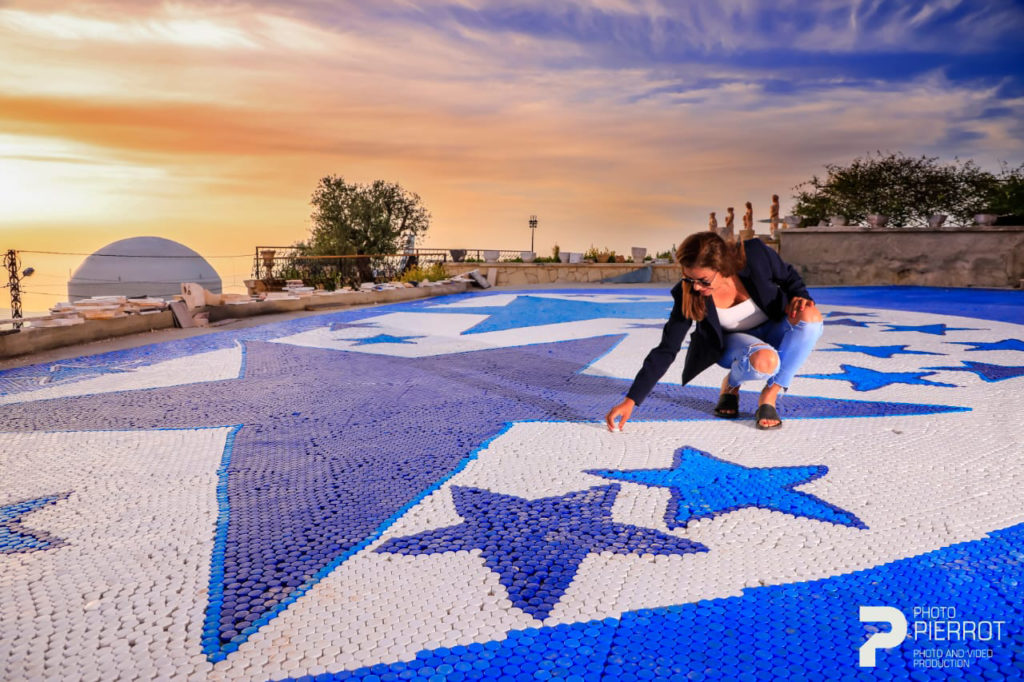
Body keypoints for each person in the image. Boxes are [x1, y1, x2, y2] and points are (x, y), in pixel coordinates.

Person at [605, 231, 823, 431]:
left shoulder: (755, 254)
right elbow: (667, 348)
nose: (696, 287)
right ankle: (731, 384)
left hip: (773, 328)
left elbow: (790, 278)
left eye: (703, 280)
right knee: (765, 362)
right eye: (689, 279)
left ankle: (770, 395)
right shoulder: (688, 293)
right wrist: (631, 400)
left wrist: (800, 296)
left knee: (810, 315)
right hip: (733, 345)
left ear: (723, 266)